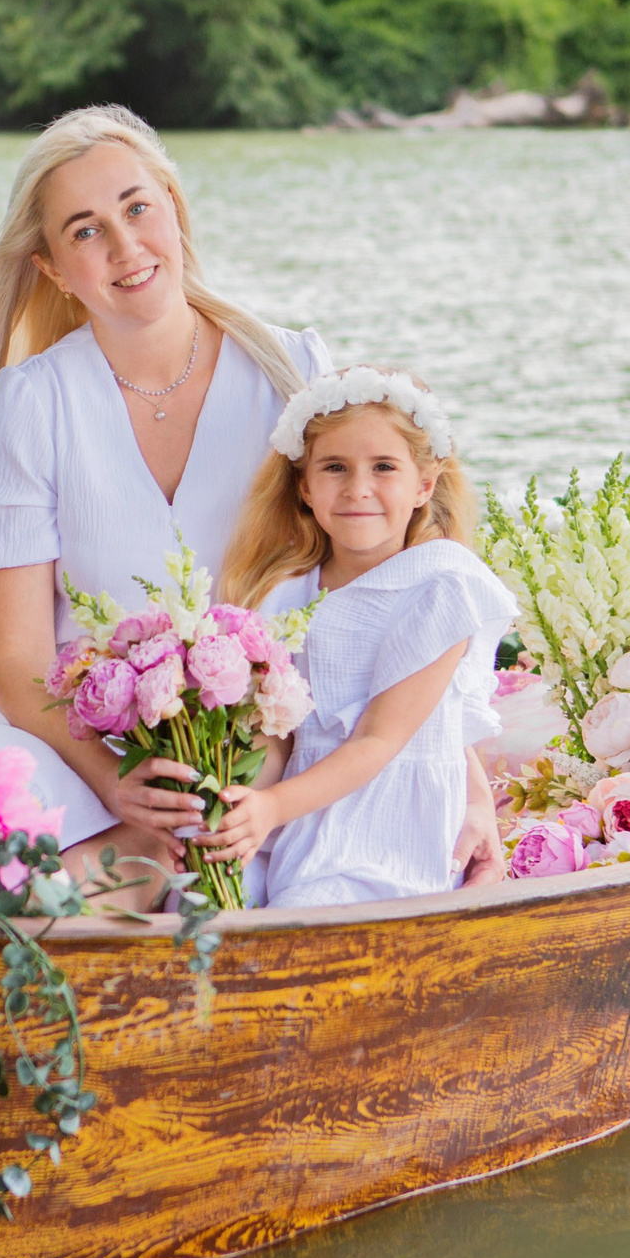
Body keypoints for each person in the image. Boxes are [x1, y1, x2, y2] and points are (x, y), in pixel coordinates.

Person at [0, 105, 331, 899]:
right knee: (8, 866)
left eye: (137, 207)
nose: (124, 246)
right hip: (73, 744)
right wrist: (123, 791)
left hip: (267, 749)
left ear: (175, 209)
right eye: (85, 231)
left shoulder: (293, 370)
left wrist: (262, 770)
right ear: (51, 267)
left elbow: (377, 571)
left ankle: (156, 870)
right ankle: (130, 864)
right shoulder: (31, 403)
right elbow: (16, 666)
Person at [205, 367, 516, 907]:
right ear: (304, 486)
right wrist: (241, 807)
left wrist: (272, 808)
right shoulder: (285, 593)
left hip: (392, 827)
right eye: (334, 467)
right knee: (207, 901)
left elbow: (382, 738)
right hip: (306, 812)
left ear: (424, 483)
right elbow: (278, 736)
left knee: (315, 920)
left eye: (384, 467)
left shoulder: (440, 585)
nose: (358, 489)